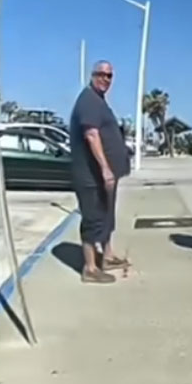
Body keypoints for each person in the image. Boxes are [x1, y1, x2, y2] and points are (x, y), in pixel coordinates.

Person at [69, 61, 131, 284]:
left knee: (106, 216)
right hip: (90, 176)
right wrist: (105, 168)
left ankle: (107, 256)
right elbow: (92, 135)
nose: (105, 79)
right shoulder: (88, 100)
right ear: (92, 75)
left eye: (109, 76)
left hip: (103, 177)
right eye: (101, 74)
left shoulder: (99, 101)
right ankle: (90, 268)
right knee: (92, 218)